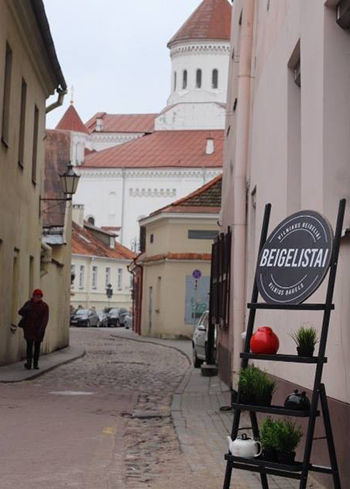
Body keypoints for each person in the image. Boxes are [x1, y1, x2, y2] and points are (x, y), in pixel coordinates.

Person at [18, 289, 49, 370]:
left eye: (39, 296)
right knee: (29, 346)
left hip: (38, 329)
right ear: (33, 296)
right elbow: (20, 312)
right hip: (28, 329)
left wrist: (42, 329)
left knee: (37, 347)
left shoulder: (44, 306)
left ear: (41, 297)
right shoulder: (28, 303)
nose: (37, 298)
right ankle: (28, 363)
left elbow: (45, 319)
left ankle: (35, 363)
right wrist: (25, 309)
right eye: (35, 296)